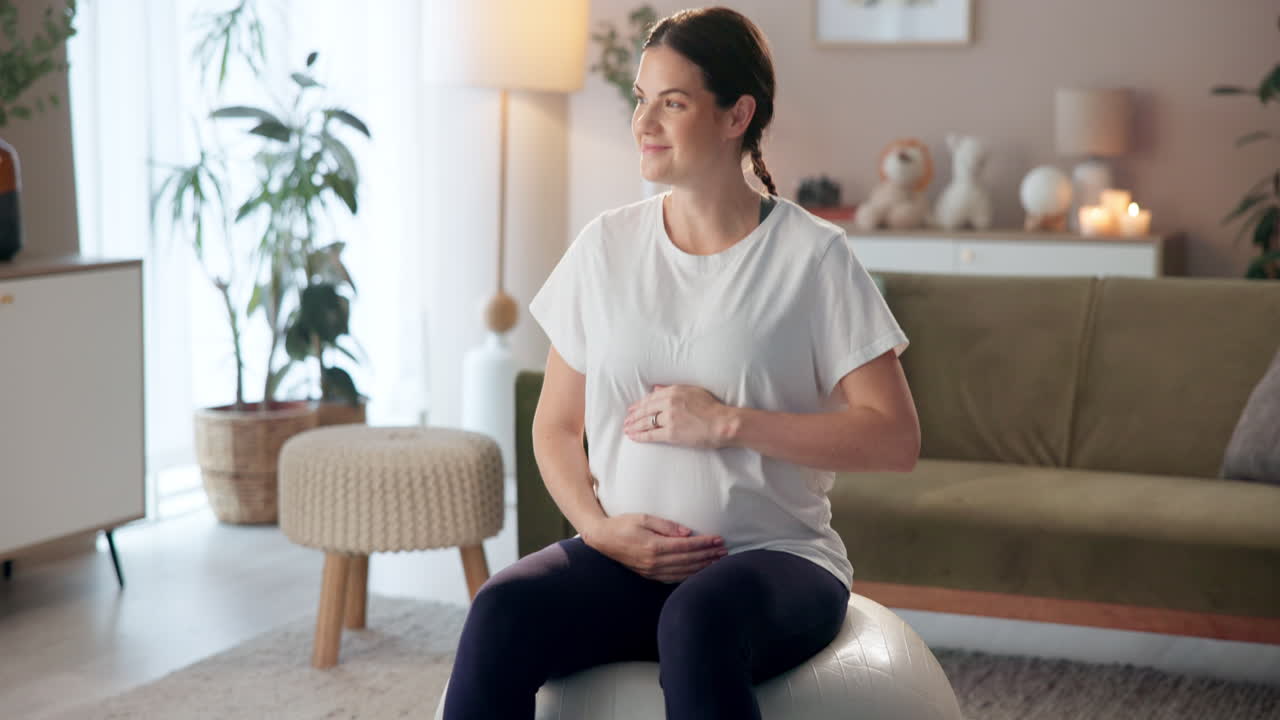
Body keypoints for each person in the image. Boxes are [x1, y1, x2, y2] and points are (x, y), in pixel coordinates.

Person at [441, 7, 919, 719]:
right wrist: (599, 530)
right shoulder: (605, 248)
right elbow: (556, 426)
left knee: (697, 620)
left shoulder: (812, 257)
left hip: (778, 559)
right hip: (624, 560)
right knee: (502, 607)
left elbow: (894, 437)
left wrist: (730, 424)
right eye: (641, 99)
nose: (644, 121)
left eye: (673, 102)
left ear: (736, 116)